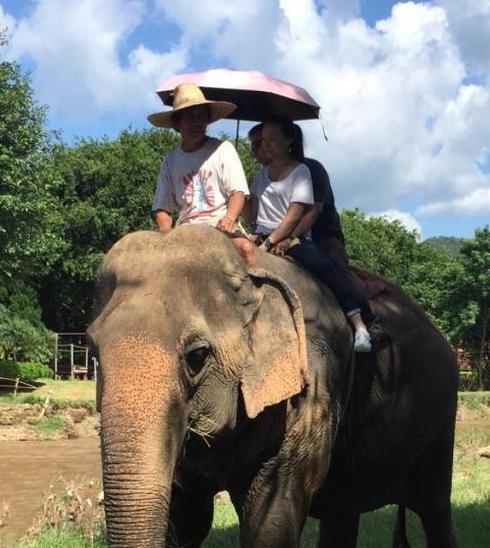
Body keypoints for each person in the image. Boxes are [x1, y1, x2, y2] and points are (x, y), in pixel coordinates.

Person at [245, 118, 374, 353]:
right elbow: (253, 213)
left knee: (330, 268)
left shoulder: (307, 170)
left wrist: (282, 238)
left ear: (289, 140)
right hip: (268, 235)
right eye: (261, 142)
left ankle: (364, 322)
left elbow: (309, 211)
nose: (263, 147)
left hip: (318, 233)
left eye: (269, 140)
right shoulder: (260, 175)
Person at [150, 83, 257, 268]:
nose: (197, 122)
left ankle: (260, 295)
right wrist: (166, 233)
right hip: (186, 230)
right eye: (190, 116)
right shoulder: (170, 161)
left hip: (220, 227)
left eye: (201, 116)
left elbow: (238, 192)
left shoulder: (223, 149)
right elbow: (162, 208)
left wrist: (229, 218)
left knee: (246, 249)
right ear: (177, 123)